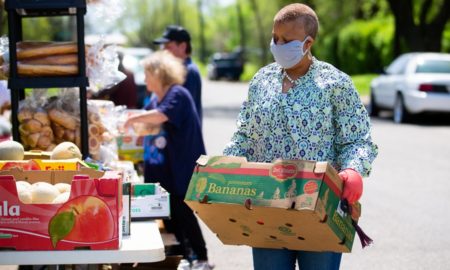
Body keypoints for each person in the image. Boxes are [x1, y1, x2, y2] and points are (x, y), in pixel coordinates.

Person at [223, 3, 378, 270]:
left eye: (286, 40)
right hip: (267, 204)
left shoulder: (335, 83)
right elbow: (244, 135)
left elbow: (358, 139)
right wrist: (225, 166)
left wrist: (354, 169)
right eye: (275, 38)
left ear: (308, 43)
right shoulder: (262, 81)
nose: (278, 45)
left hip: (319, 205)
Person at [124, 50, 212, 270]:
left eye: (146, 73)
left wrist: (131, 119)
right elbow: (147, 123)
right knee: (169, 214)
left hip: (181, 166)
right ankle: (184, 257)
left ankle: (201, 258)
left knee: (184, 212)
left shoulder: (177, 94)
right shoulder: (155, 98)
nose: (143, 79)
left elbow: (159, 116)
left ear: (158, 73)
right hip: (163, 169)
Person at [153, 25, 203, 124]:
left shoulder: (188, 71)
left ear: (183, 46)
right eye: (163, 47)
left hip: (184, 138)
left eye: (168, 46)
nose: (164, 51)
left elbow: (176, 110)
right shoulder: (178, 69)